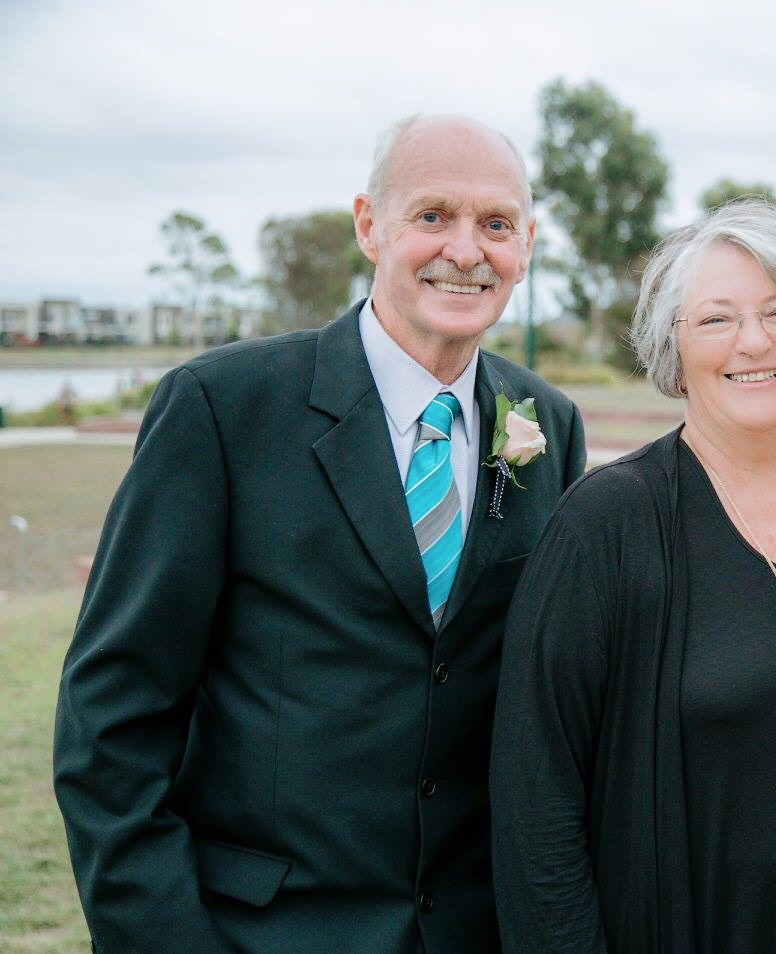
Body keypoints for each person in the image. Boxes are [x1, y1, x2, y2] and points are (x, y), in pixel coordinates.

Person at [52, 114, 586, 953]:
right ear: (370, 226)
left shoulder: (547, 424)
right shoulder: (221, 408)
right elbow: (112, 716)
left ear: (526, 244)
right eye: (432, 216)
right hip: (264, 929)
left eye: (496, 224)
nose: (465, 250)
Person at [489, 201, 776, 952]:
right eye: (715, 319)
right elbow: (534, 799)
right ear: (673, 351)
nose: (753, 341)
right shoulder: (606, 524)